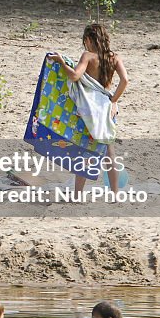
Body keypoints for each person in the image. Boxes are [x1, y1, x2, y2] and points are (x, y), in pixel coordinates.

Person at [51, 23, 129, 193]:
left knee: (85, 151)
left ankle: (78, 195)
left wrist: (61, 62)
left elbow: (74, 75)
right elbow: (125, 81)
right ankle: (115, 194)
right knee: (110, 152)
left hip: (90, 109)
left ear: (88, 39)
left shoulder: (88, 56)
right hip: (107, 108)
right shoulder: (115, 58)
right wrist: (113, 100)